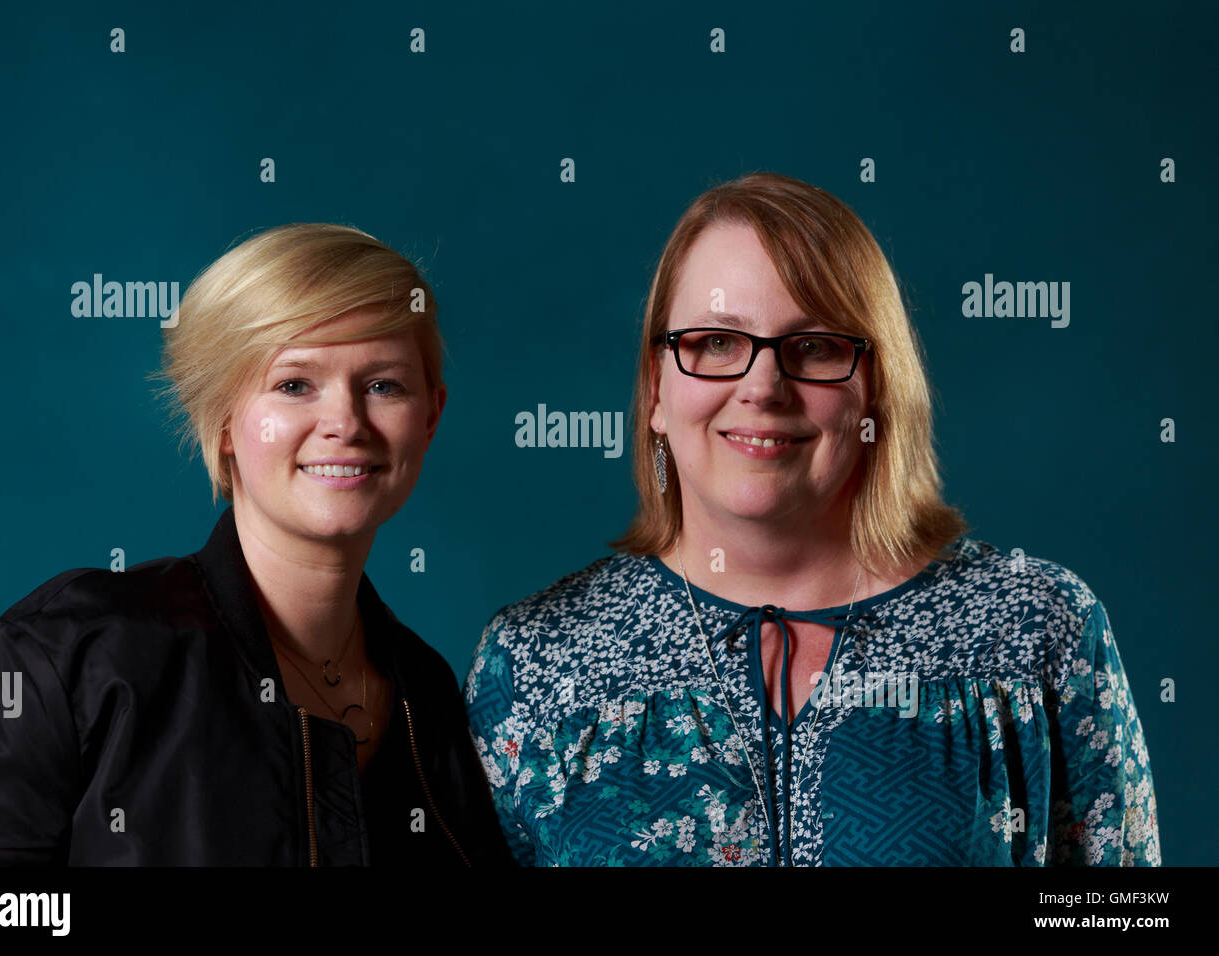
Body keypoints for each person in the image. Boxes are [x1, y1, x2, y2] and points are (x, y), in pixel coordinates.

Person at [465, 173, 1161, 866]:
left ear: (876, 388)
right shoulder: (535, 662)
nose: (762, 388)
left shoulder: (1035, 629)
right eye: (715, 343)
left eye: (816, 346)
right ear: (656, 389)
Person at [0, 223, 511, 866]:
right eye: (294, 384)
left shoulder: (431, 697)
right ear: (223, 421)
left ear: (430, 417)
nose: (344, 422)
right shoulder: (70, 653)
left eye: (383, 386)